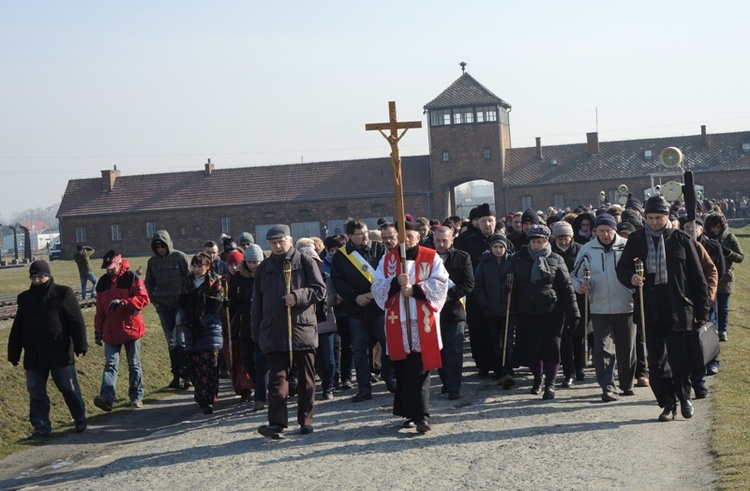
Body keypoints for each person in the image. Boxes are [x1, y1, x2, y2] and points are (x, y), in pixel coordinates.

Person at [616, 195, 710, 421]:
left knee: (680, 358)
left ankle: (684, 396)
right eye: (650, 217)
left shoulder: (681, 239)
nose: (655, 222)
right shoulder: (637, 239)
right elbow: (622, 269)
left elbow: (698, 278)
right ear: (644, 217)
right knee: (657, 362)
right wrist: (632, 279)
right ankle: (667, 403)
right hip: (650, 306)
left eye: (659, 217)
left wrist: (703, 311)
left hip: (679, 306)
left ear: (667, 217)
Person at [372, 221, 449, 433]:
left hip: (422, 320)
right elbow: (377, 286)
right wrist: (396, 282)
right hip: (398, 321)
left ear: (417, 235)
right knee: (404, 369)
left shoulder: (430, 256)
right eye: (402, 235)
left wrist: (415, 290)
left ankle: (422, 415)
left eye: (411, 235)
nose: (407, 239)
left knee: (422, 367)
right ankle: (409, 412)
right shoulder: (388, 259)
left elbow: (442, 284)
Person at [253, 225, 326, 438]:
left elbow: (319, 290)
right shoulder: (264, 267)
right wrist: (256, 333)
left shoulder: (305, 262)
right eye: (273, 242)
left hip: (301, 330)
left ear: (290, 240)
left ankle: (306, 421)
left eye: (281, 241)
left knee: (306, 380)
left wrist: (297, 296)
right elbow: (256, 303)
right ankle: (276, 423)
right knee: (277, 380)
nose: (277, 246)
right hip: (273, 332)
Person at [8, 260, 88, 440]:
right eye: (34, 277)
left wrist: (81, 344)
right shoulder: (25, 298)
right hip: (34, 353)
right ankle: (41, 427)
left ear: (49, 275)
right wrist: (14, 352)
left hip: (58, 351)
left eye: (41, 276)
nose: (37, 280)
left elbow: (76, 321)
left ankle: (79, 417)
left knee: (68, 387)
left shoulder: (63, 293)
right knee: (35, 390)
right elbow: (18, 326)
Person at [509, 224, 580, 400]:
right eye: (533, 241)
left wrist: (574, 312)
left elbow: (566, 287)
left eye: (539, 242)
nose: (536, 245)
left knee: (552, 349)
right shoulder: (519, 259)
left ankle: (550, 383)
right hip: (527, 311)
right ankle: (537, 379)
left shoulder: (556, 259)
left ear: (546, 241)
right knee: (534, 349)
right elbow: (511, 285)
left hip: (552, 310)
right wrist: (508, 286)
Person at [571, 214, 636, 402]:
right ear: (595, 231)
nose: (605, 234)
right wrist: (580, 287)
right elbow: (574, 275)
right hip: (599, 307)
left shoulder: (627, 245)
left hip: (626, 305)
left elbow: (638, 268)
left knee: (626, 348)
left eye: (608, 230)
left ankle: (626, 384)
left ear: (615, 230)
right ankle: (608, 388)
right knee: (603, 349)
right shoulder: (588, 249)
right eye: (601, 231)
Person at [330, 219, 394, 402]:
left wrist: (375, 294)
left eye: (366, 232)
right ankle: (364, 388)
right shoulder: (341, 256)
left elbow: (387, 274)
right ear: (350, 236)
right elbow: (337, 280)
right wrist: (354, 296)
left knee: (388, 343)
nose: (364, 236)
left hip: (379, 306)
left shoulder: (379, 249)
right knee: (359, 350)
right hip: (356, 308)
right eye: (359, 234)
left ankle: (389, 377)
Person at [93, 250, 150, 412]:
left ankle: (136, 397)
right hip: (110, 331)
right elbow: (100, 311)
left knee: (134, 364)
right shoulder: (102, 282)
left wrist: (125, 303)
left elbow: (143, 298)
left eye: (111, 267)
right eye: (107, 267)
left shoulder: (131, 278)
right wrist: (98, 330)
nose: (108, 270)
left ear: (119, 263)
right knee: (110, 365)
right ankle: (106, 398)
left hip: (130, 328)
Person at [177, 252, 225, 414]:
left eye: (200, 266)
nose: (197, 269)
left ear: (208, 266)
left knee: (209, 365)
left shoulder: (214, 282)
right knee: (194, 365)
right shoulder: (187, 282)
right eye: (195, 266)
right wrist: (186, 320)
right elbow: (182, 303)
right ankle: (200, 395)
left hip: (209, 329)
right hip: (191, 329)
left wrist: (202, 322)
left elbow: (215, 305)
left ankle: (209, 399)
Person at [433, 226, 475, 399]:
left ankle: (454, 387)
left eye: (445, 240)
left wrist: (448, 296)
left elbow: (468, 283)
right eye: (438, 240)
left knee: (455, 350)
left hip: (455, 310)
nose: (441, 244)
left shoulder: (462, 257)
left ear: (452, 240)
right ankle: (445, 382)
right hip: (433, 311)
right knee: (439, 350)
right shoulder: (428, 258)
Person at [144, 230, 190, 389]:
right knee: (171, 342)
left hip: (180, 304)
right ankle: (176, 375)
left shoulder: (180, 257)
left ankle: (187, 374)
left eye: (162, 246)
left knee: (181, 340)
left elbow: (189, 278)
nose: (160, 249)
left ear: (168, 244)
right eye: (157, 246)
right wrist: (155, 302)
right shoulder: (152, 262)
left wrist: (187, 300)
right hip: (163, 306)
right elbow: (148, 283)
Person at [472, 232, 515, 388]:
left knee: (508, 342)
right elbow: (478, 286)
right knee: (495, 342)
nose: (498, 250)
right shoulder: (484, 263)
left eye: (501, 247)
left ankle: (508, 369)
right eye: (495, 247)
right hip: (491, 309)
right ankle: (499, 369)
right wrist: (484, 303)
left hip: (508, 309)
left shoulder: (512, 262)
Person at [550, 220, 586, 387]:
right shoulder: (551, 251)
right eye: (560, 238)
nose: (563, 241)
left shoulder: (580, 250)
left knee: (578, 334)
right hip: (559, 300)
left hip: (578, 297)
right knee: (563, 338)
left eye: (566, 238)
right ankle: (568, 372)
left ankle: (580, 367)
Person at [234, 244, 268, 411]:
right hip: (246, 326)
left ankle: (261, 396)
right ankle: (260, 386)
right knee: (248, 361)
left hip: (264, 325)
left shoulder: (268, 275)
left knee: (261, 361)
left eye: (257, 262)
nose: (254, 265)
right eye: (250, 262)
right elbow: (234, 302)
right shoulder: (240, 278)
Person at [703, 212, 744, 342]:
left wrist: (728, 253)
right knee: (710, 306)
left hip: (725, 277)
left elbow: (740, 257)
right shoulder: (705, 239)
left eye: (717, 227)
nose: (715, 230)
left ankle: (722, 330)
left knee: (723, 306)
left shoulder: (729, 237)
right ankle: (711, 330)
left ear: (722, 226)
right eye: (712, 227)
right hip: (709, 276)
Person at [225, 249, 254, 402]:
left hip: (245, 324)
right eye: (231, 265)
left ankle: (250, 387)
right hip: (234, 326)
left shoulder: (245, 278)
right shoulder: (225, 280)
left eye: (237, 264)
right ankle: (241, 387)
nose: (234, 268)